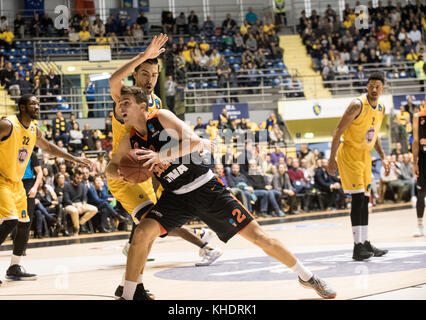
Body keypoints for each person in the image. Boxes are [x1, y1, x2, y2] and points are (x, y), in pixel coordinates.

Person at [106, 86, 336, 300]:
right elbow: (111, 167)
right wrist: (121, 174)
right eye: (119, 104)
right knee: (141, 232)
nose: (121, 107)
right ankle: (128, 295)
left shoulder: (161, 117)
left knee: (260, 238)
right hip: (175, 196)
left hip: (206, 187)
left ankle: (308, 277)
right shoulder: (130, 141)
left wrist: (159, 157)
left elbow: (194, 142)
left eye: (126, 102)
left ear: (142, 106)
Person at [107, 34, 223, 298]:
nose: (149, 79)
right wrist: (143, 56)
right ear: (135, 75)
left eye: (154, 74)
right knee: (148, 225)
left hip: (146, 173)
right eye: (145, 73)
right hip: (124, 174)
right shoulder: (124, 101)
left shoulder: (156, 105)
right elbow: (114, 80)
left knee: (146, 232)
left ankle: (129, 286)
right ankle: (132, 289)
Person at [0, 94, 92, 284]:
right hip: (1, 180)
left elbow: (49, 147)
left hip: (17, 183)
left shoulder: (34, 130)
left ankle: (14, 266)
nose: (37, 106)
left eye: (38, 103)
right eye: (33, 103)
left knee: (24, 223)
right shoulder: (7, 124)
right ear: (22, 107)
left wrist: (74, 158)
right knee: (10, 220)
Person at [327, 72, 390, 261]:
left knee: (365, 199)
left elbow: (375, 135)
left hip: (365, 156)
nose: (373, 89)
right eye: (371, 85)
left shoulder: (381, 108)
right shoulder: (357, 104)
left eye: (377, 86)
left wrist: (383, 156)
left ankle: (365, 242)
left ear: (383, 88)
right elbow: (338, 131)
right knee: (357, 199)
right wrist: (332, 159)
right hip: (349, 154)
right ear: (367, 86)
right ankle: (357, 247)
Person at [412, 108, 426, 236]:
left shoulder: (417, 116)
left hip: (422, 159)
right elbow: (415, 141)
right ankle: (420, 225)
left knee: (421, 193)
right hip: (423, 159)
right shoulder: (418, 116)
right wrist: (414, 162)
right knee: (421, 193)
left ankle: (420, 225)